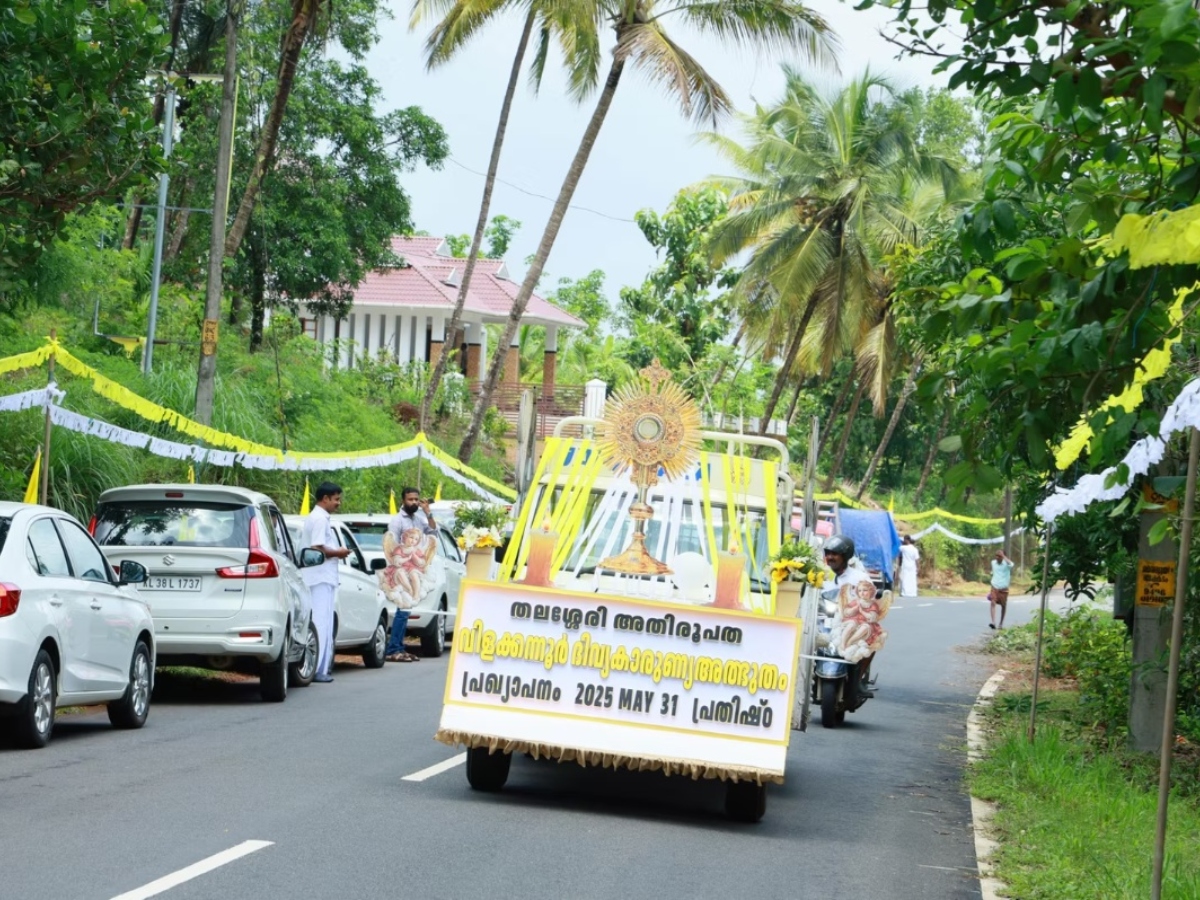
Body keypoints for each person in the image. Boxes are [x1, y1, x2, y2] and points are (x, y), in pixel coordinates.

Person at [301, 482, 351, 683]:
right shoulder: (319, 519)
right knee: (320, 623)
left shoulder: (319, 517)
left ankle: (320, 667)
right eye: (336, 499)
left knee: (325, 623)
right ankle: (316, 669)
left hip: (322, 577)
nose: (338, 503)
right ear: (325, 498)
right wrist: (339, 552)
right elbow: (317, 547)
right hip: (319, 577)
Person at [383, 487, 438, 663]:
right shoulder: (397, 521)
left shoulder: (419, 520)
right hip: (401, 571)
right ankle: (393, 649)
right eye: (410, 499)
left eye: (416, 499)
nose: (414, 502)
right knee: (403, 610)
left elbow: (434, 532)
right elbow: (392, 546)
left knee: (405, 611)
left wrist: (428, 513)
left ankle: (399, 648)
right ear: (403, 500)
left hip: (414, 570)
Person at [989, 549, 1015, 630]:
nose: (997, 557)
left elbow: (1011, 564)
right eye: (996, 555)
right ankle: (993, 622)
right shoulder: (993, 563)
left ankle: (1001, 623)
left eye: (999, 556)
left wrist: (1003, 556)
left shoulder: (1007, 564)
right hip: (994, 586)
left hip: (1004, 588)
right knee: (993, 602)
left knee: (1003, 606)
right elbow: (993, 572)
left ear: (1003, 557)